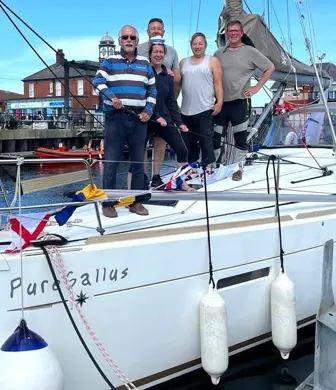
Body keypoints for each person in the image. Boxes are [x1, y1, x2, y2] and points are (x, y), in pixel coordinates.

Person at [93, 24, 156, 218]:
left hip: (139, 119)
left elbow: (152, 91)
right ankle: (108, 203)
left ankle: (136, 202)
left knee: (138, 162)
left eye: (132, 38)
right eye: (125, 37)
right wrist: (112, 97)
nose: (129, 40)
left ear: (137, 41)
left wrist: (148, 111)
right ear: (120, 41)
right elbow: (97, 82)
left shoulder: (145, 63)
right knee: (112, 161)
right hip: (115, 118)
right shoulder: (110, 61)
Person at [213, 20, 275, 181]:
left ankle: (238, 168)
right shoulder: (219, 53)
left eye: (236, 31)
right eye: (230, 31)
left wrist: (257, 88)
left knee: (240, 138)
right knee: (216, 137)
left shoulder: (250, 51)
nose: (232, 34)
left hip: (240, 101)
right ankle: (217, 167)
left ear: (241, 33)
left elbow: (270, 68)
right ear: (226, 33)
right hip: (220, 102)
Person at [128, 37, 192, 191]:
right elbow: (143, 98)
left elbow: (171, 101)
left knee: (182, 150)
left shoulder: (168, 76)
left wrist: (180, 123)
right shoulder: (144, 73)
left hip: (165, 119)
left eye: (161, 52)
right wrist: (156, 116)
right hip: (146, 118)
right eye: (155, 52)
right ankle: (131, 189)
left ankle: (180, 182)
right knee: (138, 153)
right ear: (150, 55)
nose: (158, 54)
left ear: (165, 55)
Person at [137, 17, 181, 179]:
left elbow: (177, 77)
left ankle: (156, 175)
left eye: (159, 28)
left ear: (163, 31)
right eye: (152, 28)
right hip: (142, 104)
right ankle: (140, 175)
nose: (156, 30)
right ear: (147, 31)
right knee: (141, 143)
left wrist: (170, 73)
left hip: (162, 104)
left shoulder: (172, 51)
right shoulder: (138, 49)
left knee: (161, 140)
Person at [178, 32, 223, 168]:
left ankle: (208, 173)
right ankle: (191, 174)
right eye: (194, 43)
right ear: (191, 45)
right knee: (188, 146)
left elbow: (218, 83)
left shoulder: (212, 61)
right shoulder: (183, 62)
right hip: (186, 112)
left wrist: (219, 102)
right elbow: (178, 84)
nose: (197, 46)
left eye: (200, 43)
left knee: (206, 144)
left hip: (205, 109)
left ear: (205, 45)